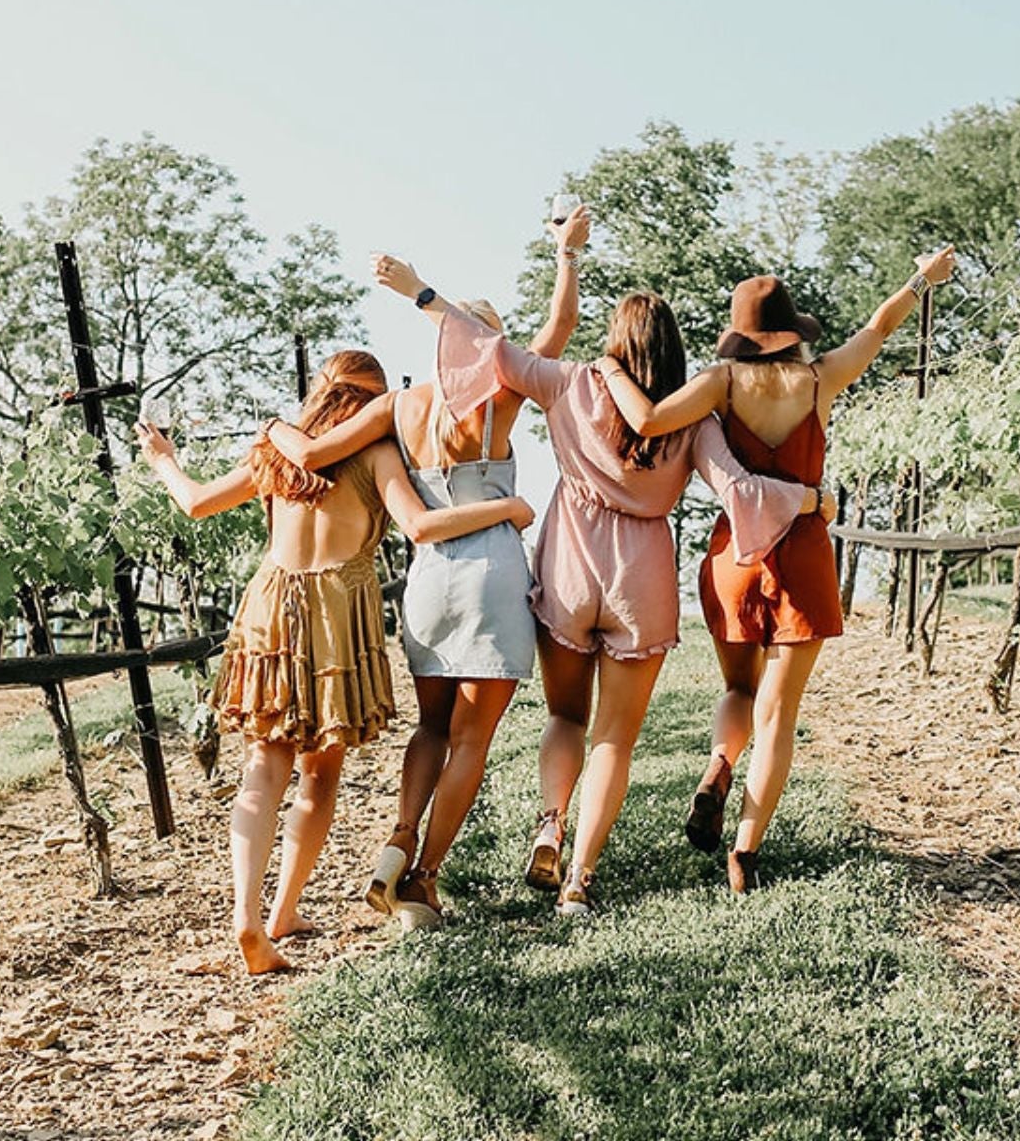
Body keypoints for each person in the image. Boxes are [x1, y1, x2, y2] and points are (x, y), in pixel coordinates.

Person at [376, 258, 833, 916]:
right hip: (641, 575)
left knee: (566, 716)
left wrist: (419, 292)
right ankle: (578, 881)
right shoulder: (693, 416)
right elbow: (739, 490)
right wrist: (809, 500)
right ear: (674, 350)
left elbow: (487, 347)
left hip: (569, 561)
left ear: (616, 341)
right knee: (614, 739)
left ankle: (551, 822)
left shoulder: (570, 383)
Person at [137, 349, 535, 973]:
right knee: (318, 778)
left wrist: (165, 461)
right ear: (371, 404)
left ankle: (248, 917)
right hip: (334, 614)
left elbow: (193, 502)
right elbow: (422, 526)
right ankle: (283, 910)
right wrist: (508, 509)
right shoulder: (377, 456)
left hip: (270, 604)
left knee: (262, 768)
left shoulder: (274, 454)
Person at [262, 206, 591, 929]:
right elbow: (559, 334)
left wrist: (274, 425)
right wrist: (567, 259)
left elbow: (312, 454)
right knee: (472, 740)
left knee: (430, 730)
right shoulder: (500, 398)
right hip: (490, 576)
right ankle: (422, 880)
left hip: (427, 579)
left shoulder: (400, 406)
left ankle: (399, 839)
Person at [594, 250, 956, 892]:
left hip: (736, 557)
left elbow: (645, 420)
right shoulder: (820, 380)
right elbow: (878, 327)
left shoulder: (720, 383)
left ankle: (716, 768)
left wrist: (613, 368)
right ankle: (745, 852)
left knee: (739, 691)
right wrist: (919, 278)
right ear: (792, 332)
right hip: (804, 556)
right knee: (779, 716)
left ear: (739, 334)